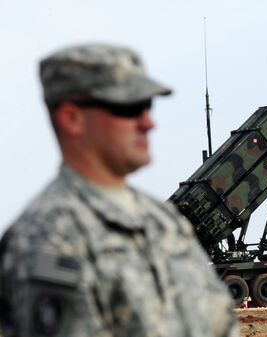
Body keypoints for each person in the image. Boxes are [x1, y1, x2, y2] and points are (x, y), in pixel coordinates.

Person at [0, 43, 239, 337]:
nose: (148, 123)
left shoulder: (165, 222)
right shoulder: (49, 240)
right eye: (128, 108)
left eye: (148, 106)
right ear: (72, 118)